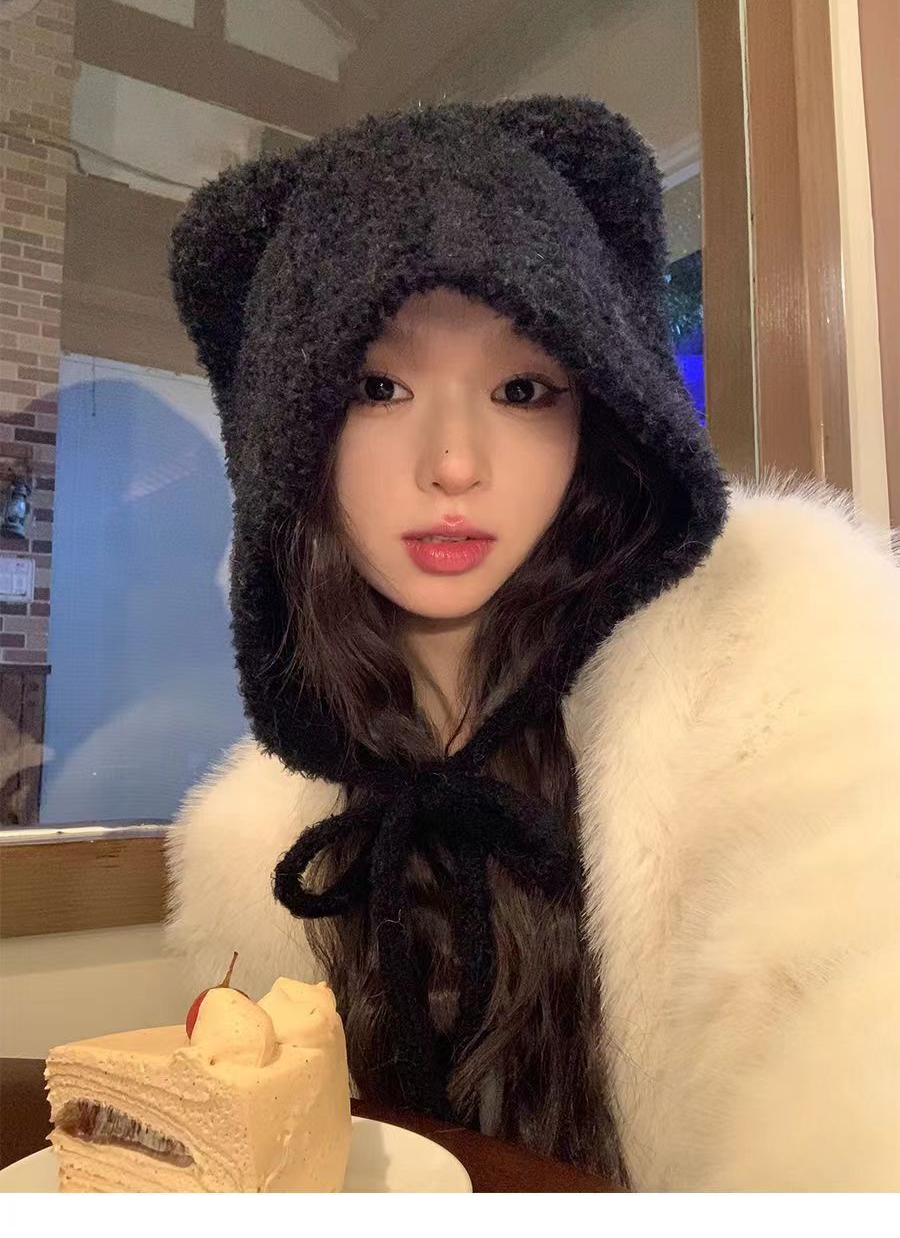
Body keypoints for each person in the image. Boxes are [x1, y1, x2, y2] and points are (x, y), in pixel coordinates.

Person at [164, 95, 900, 1191]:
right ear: (292, 437)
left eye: (521, 389)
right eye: (378, 387)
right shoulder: (266, 848)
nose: (454, 463)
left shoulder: (782, 656)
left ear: (596, 418)